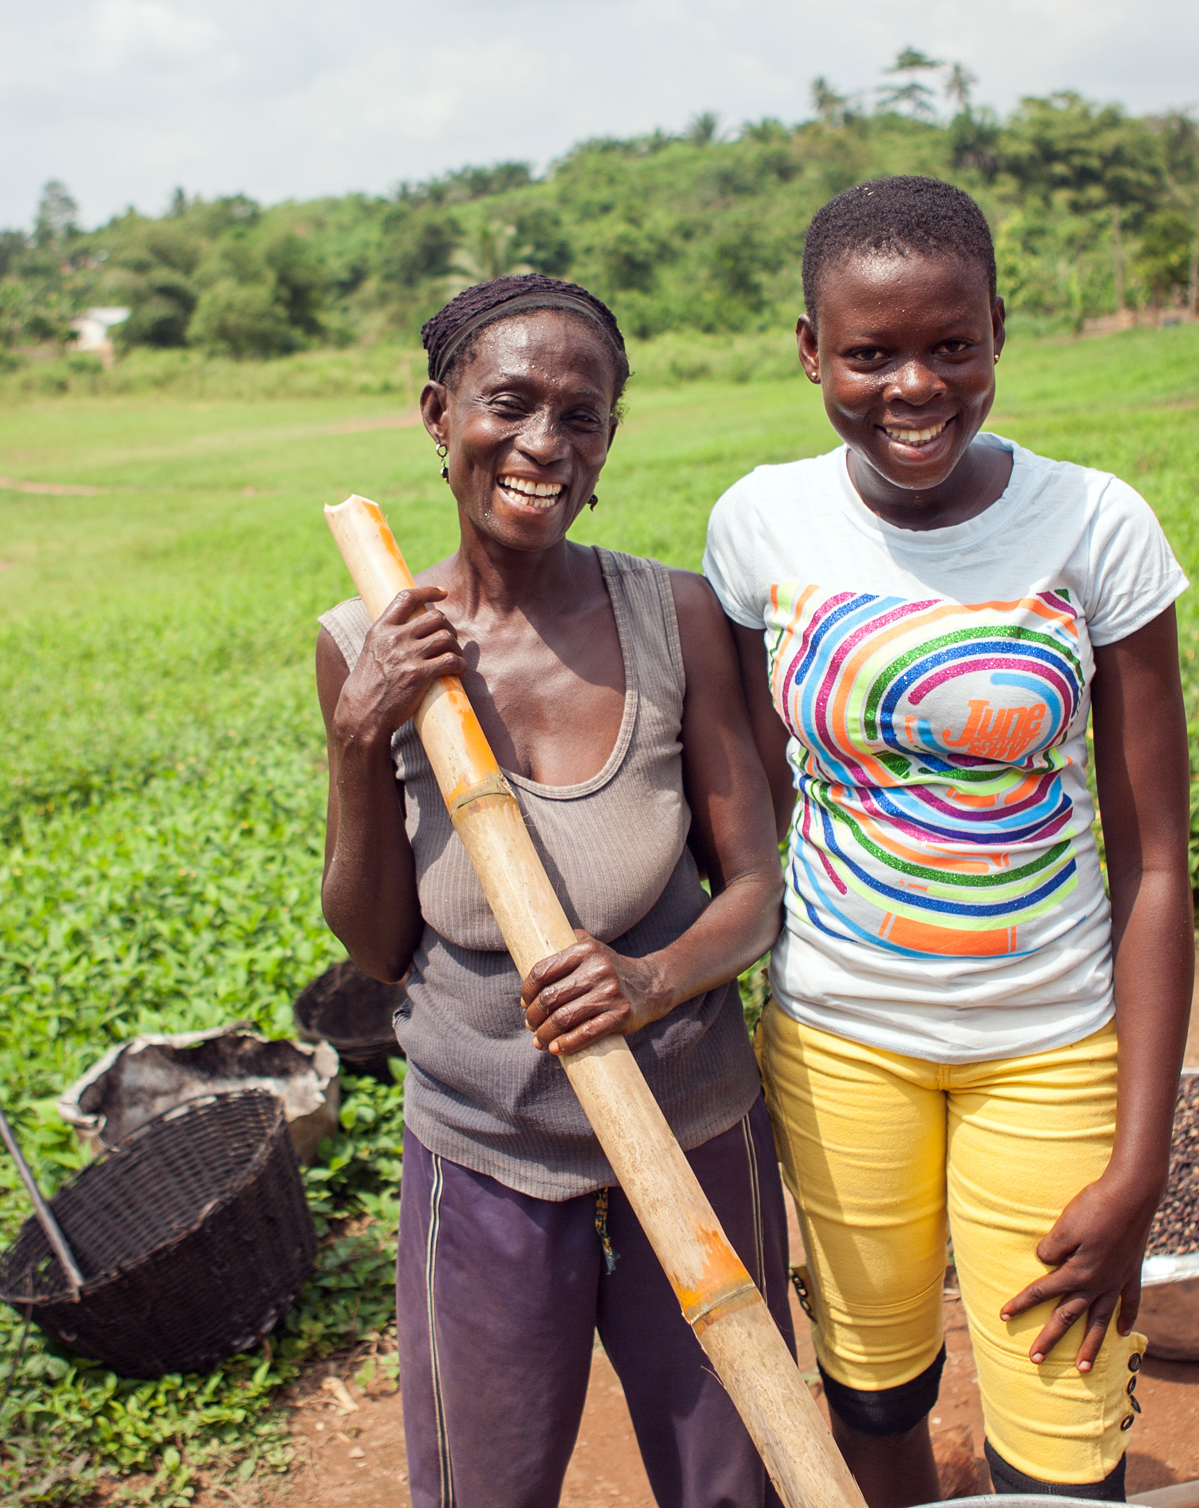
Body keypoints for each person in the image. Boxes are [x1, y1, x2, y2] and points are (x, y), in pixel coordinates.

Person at [702, 177, 1195, 1506]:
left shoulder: (1095, 525)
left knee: (1066, 1430)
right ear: (812, 349)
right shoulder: (761, 525)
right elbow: (764, 800)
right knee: (874, 1390)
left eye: (951, 343)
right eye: (869, 352)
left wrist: (1142, 1162)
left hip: (1050, 1041)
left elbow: (1154, 864)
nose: (913, 384)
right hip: (840, 1036)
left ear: (997, 330)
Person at [315, 274, 794, 1508]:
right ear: (438, 413)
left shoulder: (674, 615)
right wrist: (357, 733)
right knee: (485, 1485)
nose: (541, 444)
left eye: (578, 416)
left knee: (732, 1478)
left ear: (608, 443)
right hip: (482, 1147)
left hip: (689, 1122)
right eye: (507, 404)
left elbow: (754, 886)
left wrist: (647, 977)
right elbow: (375, 948)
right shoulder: (363, 634)